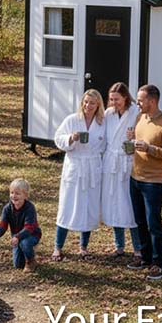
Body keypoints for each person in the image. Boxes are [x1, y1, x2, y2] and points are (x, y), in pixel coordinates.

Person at [128, 85, 162, 281]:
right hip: (135, 178)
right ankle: (145, 257)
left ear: (152, 101)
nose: (138, 103)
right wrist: (131, 141)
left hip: (154, 182)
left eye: (141, 100)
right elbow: (138, 140)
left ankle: (159, 265)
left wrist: (151, 149)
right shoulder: (141, 118)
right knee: (140, 221)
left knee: (153, 223)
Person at [52, 89, 106, 261]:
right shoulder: (72, 120)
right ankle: (58, 247)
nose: (88, 106)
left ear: (98, 105)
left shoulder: (102, 122)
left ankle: (83, 247)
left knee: (88, 207)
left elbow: (107, 144)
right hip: (75, 166)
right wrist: (71, 138)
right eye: (85, 102)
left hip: (92, 167)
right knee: (67, 206)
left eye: (92, 103)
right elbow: (57, 138)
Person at [101, 82, 142, 259]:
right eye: (111, 99)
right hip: (111, 163)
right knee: (113, 205)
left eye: (116, 99)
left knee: (129, 205)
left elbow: (146, 133)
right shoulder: (108, 114)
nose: (113, 102)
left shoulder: (136, 113)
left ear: (125, 97)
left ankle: (138, 247)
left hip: (128, 162)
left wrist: (136, 137)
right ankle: (119, 245)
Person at [0, 178, 41, 272]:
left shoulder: (30, 208)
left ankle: (31, 261)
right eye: (12, 193)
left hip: (31, 235)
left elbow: (29, 227)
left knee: (25, 243)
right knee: (18, 265)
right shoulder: (7, 208)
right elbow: (3, 224)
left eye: (17, 193)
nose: (14, 196)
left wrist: (18, 237)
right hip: (16, 237)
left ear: (25, 195)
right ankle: (25, 252)